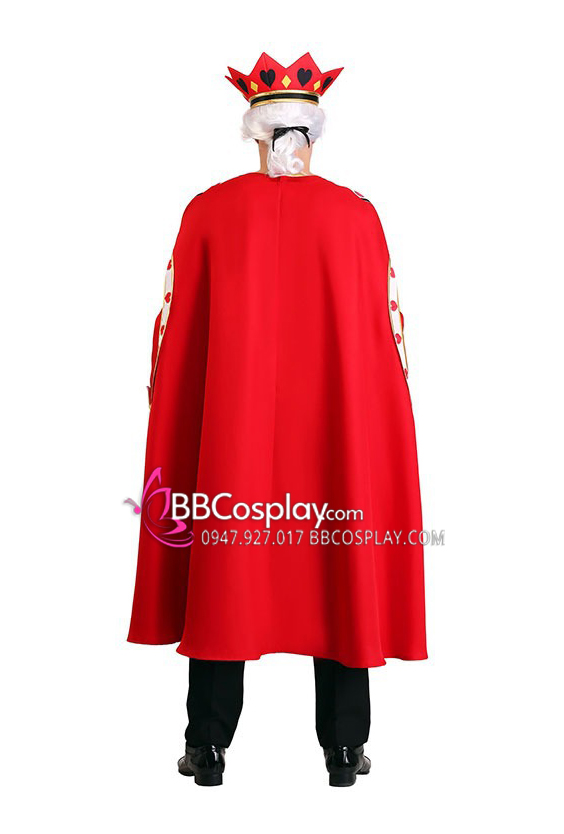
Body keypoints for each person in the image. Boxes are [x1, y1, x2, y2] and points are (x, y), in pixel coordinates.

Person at [128, 52, 427, 787]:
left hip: (233, 440)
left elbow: (172, 335)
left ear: (254, 134)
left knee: (226, 565)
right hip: (334, 439)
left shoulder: (208, 212)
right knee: (338, 562)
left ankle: (207, 746)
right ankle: (344, 749)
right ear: (312, 134)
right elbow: (389, 344)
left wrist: (175, 409)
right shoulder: (356, 216)